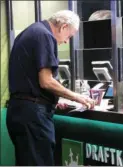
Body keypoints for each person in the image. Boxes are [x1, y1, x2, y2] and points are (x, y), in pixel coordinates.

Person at [7, 10, 95, 166]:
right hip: (33, 115)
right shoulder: (45, 36)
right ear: (63, 27)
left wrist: (54, 98)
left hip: (18, 111)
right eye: (69, 36)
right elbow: (46, 81)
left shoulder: (31, 31)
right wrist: (77, 97)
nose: (67, 41)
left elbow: (31, 78)